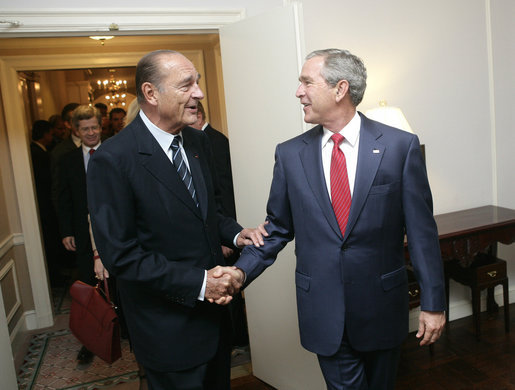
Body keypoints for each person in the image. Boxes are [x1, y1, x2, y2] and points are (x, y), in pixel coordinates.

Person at [230, 49, 446, 390]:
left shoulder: (399, 147)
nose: (298, 92)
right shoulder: (289, 154)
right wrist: (239, 272)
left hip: (382, 306)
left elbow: (421, 234)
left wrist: (433, 304)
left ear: (340, 89)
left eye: (306, 82)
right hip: (323, 310)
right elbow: (277, 229)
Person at [87, 50, 265, 390]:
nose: (198, 93)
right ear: (151, 93)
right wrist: (201, 284)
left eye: (197, 82)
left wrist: (237, 234)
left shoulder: (198, 142)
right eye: (187, 85)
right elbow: (121, 255)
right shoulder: (114, 159)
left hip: (215, 321)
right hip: (168, 329)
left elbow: (209, 211)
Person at [56, 105, 102, 367]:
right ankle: (92, 339)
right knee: (90, 286)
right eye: (85, 129)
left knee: (121, 283)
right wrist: (66, 231)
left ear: (100, 125)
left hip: (115, 232)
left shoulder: (114, 152)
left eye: (94, 127)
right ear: (76, 131)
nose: (91, 133)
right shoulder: (67, 161)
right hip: (83, 237)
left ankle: (127, 333)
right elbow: (62, 199)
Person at [30, 120, 64, 286]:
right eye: (51, 133)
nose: (52, 137)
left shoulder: (39, 152)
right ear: (44, 134)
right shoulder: (39, 154)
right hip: (44, 207)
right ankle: (55, 277)